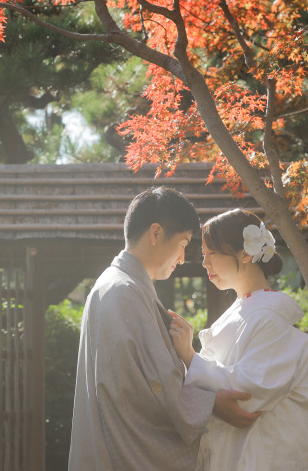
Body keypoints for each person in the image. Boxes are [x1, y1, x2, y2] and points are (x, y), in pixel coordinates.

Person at [68, 188, 261, 471]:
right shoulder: (122, 292)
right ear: (156, 234)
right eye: (183, 243)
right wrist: (210, 404)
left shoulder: (117, 285)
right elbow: (146, 391)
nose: (183, 258)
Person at [168, 208, 308, 471]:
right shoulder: (247, 310)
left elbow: (246, 398)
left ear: (245, 253)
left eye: (212, 253)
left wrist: (189, 356)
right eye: (203, 255)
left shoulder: (268, 316)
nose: (205, 263)